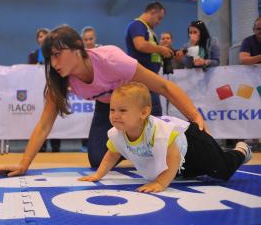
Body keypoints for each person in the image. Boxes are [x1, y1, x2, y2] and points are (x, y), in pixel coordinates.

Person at [0, 25, 207, 175]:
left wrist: (194, 115)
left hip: (137, 101)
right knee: (97, 159)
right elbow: (44, 124)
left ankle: (169, 146)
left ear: (78, 48)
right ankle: (135, 149)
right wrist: (24, 164)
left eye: (58, 54)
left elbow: (164, 86)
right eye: (50, 57)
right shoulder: (59, 78)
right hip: (108, 106)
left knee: (160, 152)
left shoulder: (112, 60)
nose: (54, 63)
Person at [79, 82, 251, 192]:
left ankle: (241, 150)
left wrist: (161, 183)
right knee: (191, 173)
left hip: (192, 141)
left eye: (122, 110)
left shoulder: (157, 131)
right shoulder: (117, 134)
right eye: (112, 110)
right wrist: (98, 175)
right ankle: (218, 155)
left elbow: (173, 155)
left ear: (144, 112)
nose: (115, 115)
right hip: (181, 161)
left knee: (222, 170)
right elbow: (112, 155)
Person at [125, 2, 173, 116]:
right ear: (152, 12)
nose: (159, 22)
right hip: (142, 80)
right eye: (159, 18)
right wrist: (161, 49)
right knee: (153, 116)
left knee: (153, 116)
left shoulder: (147, 29)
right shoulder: (137, 25)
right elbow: (140, 45)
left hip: (148, 80)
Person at [28, 28, 61, 152]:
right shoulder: (33, 55)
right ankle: (40, 145)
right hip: (37, 91)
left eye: (45, 35)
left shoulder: (56, 53)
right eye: (40, 36)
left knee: (55, 116)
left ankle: (55, 145)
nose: (43, 38)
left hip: (53, 87)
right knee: (40, 118)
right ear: (37, 39)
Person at [239, 17, 261, 152]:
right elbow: (243, 59)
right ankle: (254, 140)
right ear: (254, 30)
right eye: (258, 28)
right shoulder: (248, 41)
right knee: (252, 109)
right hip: (251, 83)